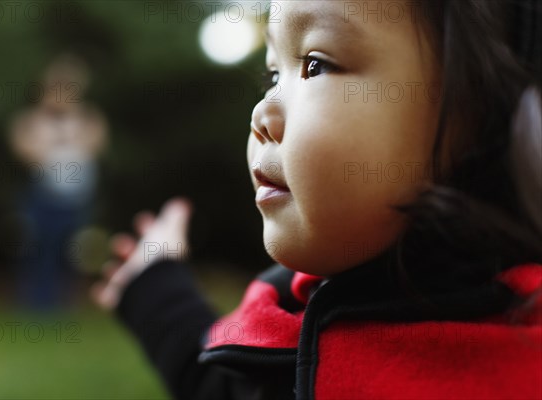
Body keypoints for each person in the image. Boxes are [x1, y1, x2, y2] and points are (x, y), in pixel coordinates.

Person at [92, 1, 542, 399]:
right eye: (273, 73)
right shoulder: (291, 308)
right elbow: (218, 382)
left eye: (315, 65)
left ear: (485, 118)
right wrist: (155, 284)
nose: (262, 112)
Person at [11, 54, 108, 310]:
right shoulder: (33, 119)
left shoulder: (88, 117)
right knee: (39, 247)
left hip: (78, 195)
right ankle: (38, 304)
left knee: (74, 251)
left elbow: (96, 144)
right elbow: (26, 150)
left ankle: (67, 302)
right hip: (45, 193)